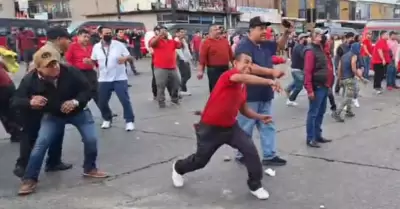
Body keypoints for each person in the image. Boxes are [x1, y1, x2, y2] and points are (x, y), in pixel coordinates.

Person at [172, 52, 277, 200]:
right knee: (200, 161)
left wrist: (260, 117)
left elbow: (244, 109)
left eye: (251, 63)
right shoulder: (229, 76)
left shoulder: (242, 87)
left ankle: (255, 185)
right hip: (210, 128)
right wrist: (268, 81)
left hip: (231, 127)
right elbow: (242, 77)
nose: (248, 65)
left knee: (250, 151)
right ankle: (178, 167)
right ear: (235, 64)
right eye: (245, 62)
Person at [16, 47, 108, 195]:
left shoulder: (70, 71)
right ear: (39, 68)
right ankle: (30, 179)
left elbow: (88, 89)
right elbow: (15, 100)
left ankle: (90, 168)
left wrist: (76, 102)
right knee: (41, 143)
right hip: (53, 115)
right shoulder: (30, 79)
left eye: (55, 63)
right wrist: (30, 101)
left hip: (79, 112)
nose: (55, 67)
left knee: (91, 139)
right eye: (49, 66)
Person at [13, 27, 73, 178]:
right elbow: (36, 76)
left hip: (45, 99)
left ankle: (53, 161)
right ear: (60, 39)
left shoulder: (49, 50)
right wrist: (31, 100)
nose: (70, 42)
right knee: (33, 134)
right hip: (38, 99)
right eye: (68, 39)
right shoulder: (51, 53)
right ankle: (25, 166)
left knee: (53, 131)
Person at [233, 16, 288, 166]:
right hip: (249, 95)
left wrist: (287, 32)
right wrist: (271, 73)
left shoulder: (265, 44)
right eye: (261, 28)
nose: (265, 31)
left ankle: (269, 155)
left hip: (265, 93)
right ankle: (242, 154)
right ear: (251, 29)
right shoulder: (244, 46)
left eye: (266, 28)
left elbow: (280, 47)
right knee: (246, 126)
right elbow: (250, 68)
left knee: (267, 124)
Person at [91, 26, 135, 131]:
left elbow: (130, 57)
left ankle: (129, 121)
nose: (108, 35)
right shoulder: (96, 47)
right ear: (100, 35)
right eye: (106, 33)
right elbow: (93, 60)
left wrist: (125, 58)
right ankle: (107, 119)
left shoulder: (118, 45)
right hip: (104, 79)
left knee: (124, 100)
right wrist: (91, 65)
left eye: (110, 33)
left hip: (119, 78)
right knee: (102, 101)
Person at [304, 28, 334, 148]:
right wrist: (310, 89)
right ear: (311, 36)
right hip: (317, 86)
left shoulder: (321, 49)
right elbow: (307, 71)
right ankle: (310, 137)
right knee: (313, 113)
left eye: (320, 35)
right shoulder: (310, 51)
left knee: (320, 112)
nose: (319, 37)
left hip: (324, 85)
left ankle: (317, 135)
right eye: (316, 34)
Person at [333, 42, 367, 122]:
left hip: (344, 78)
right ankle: (337, 113)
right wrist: (361, 78)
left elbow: (339, 68)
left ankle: (349, 111)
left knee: (350, 94)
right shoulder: (354, 56)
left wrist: (340, 79)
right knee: (348, 97)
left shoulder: (344, 56)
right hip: (349, 79)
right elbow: (353, 68)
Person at [149, 25, 182, 108]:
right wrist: (159, 36)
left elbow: (179, 46)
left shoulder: (171, 41)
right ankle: (161, 102)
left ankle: (174, 99)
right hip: (160, 67)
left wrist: (180, 38)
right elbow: (152, 44)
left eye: (165, 31)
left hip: (172, 67)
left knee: (177, 83)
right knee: (161, 86)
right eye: (162, 31)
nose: (164, 32)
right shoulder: (155, 40)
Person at [197, 24, 233, 92]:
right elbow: (202, 57)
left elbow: (230, 54)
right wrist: (200, 70)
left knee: (226, 88)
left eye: (219, 29)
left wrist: (234, 64)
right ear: (210, 32)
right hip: (213, 70)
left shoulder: (225, 41)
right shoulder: (206, 42)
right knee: (215, 89)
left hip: (225, 68)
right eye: (215, 30)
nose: (218, 31)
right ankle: (215, 102)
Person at [285, 33, 308, 106]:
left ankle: (288, 89)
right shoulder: (300, 47)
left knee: (297, 81)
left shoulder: (300, 46)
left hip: (296, 69)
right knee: (299, 86)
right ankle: (290, 100)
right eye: (305, 38)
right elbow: (304, 56)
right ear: (301, 39)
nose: (306, 39)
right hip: (297, 69)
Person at [176, 28, 193, 96]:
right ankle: (182, 89)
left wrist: (190, 58)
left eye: (184, 32)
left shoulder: (183, 40)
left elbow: (187, 50)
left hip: (186, 59)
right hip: (181, 60)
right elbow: (178, 52)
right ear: (177, 33)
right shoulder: (176, 41)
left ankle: (182, 88)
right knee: (185, 75)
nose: (183, 33)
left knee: (188, 75)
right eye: (181, 32)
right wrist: (184, 60)